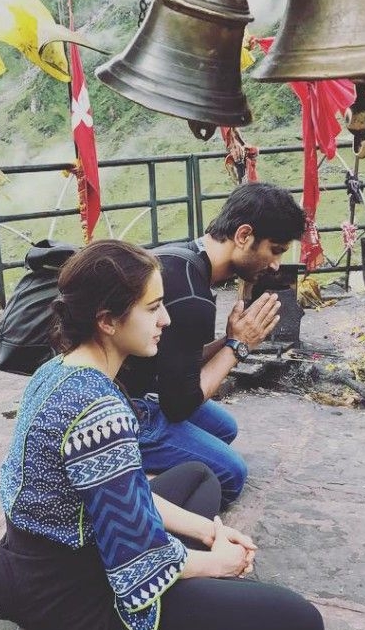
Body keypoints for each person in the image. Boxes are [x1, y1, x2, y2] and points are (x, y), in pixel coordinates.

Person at [0, 240, 325, 630]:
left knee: (200, 476)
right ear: (107, 320)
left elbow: (127, 488)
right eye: (153, 308)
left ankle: (179, 557)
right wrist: (216, 563)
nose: (166, 320)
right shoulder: (100, 410)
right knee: (299, 624)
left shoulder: (55, 371)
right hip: (70, 596)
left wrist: (209, 531)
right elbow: (135, 563)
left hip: (28, 565)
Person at [118, 182, 306, 507]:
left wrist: (228, 340)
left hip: (135, 384)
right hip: (122, 408)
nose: (275, 264)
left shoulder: (184, 259)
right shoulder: (192, 295)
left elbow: (178, 358)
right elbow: (181, 405)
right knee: (231, 474)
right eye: (275, 249)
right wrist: (238, 347)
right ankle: (127, 481)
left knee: (223, 428)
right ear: (244, 235)